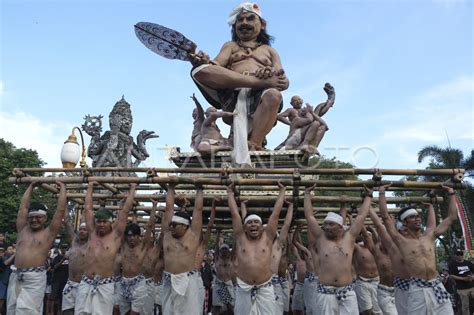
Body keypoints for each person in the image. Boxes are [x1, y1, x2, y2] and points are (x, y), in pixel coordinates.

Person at [191, 2, 289, 164]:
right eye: (240, 20)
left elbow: (282, 81)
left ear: (262, 24)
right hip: (232, 93)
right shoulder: (230, 46)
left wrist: (271, 74)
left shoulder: (269, 50)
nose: (244, 23)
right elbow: (215, 67)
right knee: (199, 70)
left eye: (250, 18)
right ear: (234, 26)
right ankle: (255, 82)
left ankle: (255, 142)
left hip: (261, 97)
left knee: (274, 94)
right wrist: (204, 61)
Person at [381, 185, 457, 314]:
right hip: (417, 289)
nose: (417, 218)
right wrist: (382, 193)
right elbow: (385, 218)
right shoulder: (401, 241)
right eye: (412, 217)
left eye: (418, 216)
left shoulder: (430, 236)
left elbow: (451, 218)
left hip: (436, 285)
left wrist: (451, 193)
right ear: (404, 222)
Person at [304, 184, 373, 315]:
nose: (326, 227)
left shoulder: (350, 237)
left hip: (347, 292)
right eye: (325, 224)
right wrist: (307, 194)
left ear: (341, 227)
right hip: (325, 292)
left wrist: (369, 196)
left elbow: (361, 216)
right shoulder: (321, 238)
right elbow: (309, 216)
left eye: (331, 224)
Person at [75, 182, 136, 315]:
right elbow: (88, 209)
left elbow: (125, 211)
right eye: (99, 221)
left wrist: (132, 188)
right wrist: (90, 186)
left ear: (111, 222)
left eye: (105, 222)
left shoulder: (116, 236)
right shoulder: (91, 233)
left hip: (105, 284)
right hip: (86, 282)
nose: (101, 224)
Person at [7, 181, 67, 315]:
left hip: (34, 278)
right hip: (16, 275)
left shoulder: (48, 233)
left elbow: (60, 210)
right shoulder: (22, 229)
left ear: (45, 218)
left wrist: (63, 187)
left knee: (29, 311)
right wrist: (31, 186)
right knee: (11, 310)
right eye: (32, 217)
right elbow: (23, 207)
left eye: (38, 217)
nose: (34, 220)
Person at [227, 181, 286, 314]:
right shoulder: (241, 238)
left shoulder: (268, 237)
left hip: (265, 287)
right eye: (249, 223)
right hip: (243, 287)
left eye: (256, 222)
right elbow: (235, 214)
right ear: (244, 228)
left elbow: (275, 214)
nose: (253, 225)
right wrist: (230, 193)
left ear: (261, 226)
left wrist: (282, 191)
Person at [161, 184, 203, 314]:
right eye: (171, 224)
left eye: (175, 225)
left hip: (188, 280)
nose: (171, 226)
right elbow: (168, 209)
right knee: (168, 311)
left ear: (185, 226)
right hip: (168, 279)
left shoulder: (193, 235)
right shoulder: (167, 235)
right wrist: (171, 188)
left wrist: (199, 190)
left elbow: (198, 210)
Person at [372, 185, 409, 314]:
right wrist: (367, 203)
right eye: (402, 231)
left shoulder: (413, 245)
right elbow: (381, 222)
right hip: (385, 291)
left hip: (406, 290)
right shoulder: (386, 248)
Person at [118, 202, 156, 315]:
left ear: (138, 236)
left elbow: (149, 226)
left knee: (135, 313)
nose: (131, 238)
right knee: (123, 312)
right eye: (129, 235)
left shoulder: (143, 246)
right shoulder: (123, 245)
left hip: (138, 283)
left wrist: (154, 206)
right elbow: (120, 225)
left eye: (134, 235)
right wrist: (121, 207)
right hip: (123, 282)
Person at [362, 225, 397, 315]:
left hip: (400, 290)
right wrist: (362, 224)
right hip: (384, 291)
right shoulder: (377, 252)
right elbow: (367, 237)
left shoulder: (398, 252)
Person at [61, 219, 88, 315]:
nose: (82, 231)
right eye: (80, 229)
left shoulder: (91, 245)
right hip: (70, 283)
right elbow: (68, 225)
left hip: (84, 285)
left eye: (85, 229)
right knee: (67, 311)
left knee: (81, 312)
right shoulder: (73, 242)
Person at [270, 201, 293, 314]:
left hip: (275, 281)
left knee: (278, 310)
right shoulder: (257, 244)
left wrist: (291, 207)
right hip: (260, 281)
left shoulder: (278, 246)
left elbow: (286, 225)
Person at [353, 228, 381, 315]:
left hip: (376, 281)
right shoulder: (358, 248)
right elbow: (349, 238)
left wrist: (373, 230)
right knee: (367, 311)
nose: (366, 237)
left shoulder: (377, 248)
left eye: (369, 236)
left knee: (378, 310)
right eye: (365, 236)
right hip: (362, 282)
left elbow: (379, 239)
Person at [213, 230, 236, 315]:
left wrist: (235, 234)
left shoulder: (231, 259)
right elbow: (216, 246)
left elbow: (235, 246)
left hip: (228, 284)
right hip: (219, 284)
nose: (224, 251)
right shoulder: (217, 258)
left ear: (229, 251)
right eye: (222, 249)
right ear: (220, 251)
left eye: (226, 249)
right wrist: (218, 234)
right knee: (216, 307)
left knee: (231, 306)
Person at [448, 249, 474, 315]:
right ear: (455, 255)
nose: (459, 256)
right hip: (461, 288)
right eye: (457, 254)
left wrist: (472, 277)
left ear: (463, 255)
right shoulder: (452, 264)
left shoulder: (468, 263)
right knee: (465, 306)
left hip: (472, 286)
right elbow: (451, 275)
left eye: (461, 254)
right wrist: (463, 278)